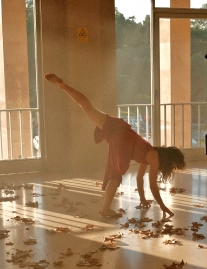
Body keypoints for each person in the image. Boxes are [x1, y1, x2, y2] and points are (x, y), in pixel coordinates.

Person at [45, 73, 186, 218]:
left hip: (119, 127)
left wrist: (143, 199)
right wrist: (163, 206)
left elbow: (139, 178)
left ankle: (63, 86)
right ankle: (105, 210)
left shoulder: (150, 153)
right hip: (123, 142)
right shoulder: (154, 158)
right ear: (169, 160)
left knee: (88, 108)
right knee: (115, 176)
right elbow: (152, 185)